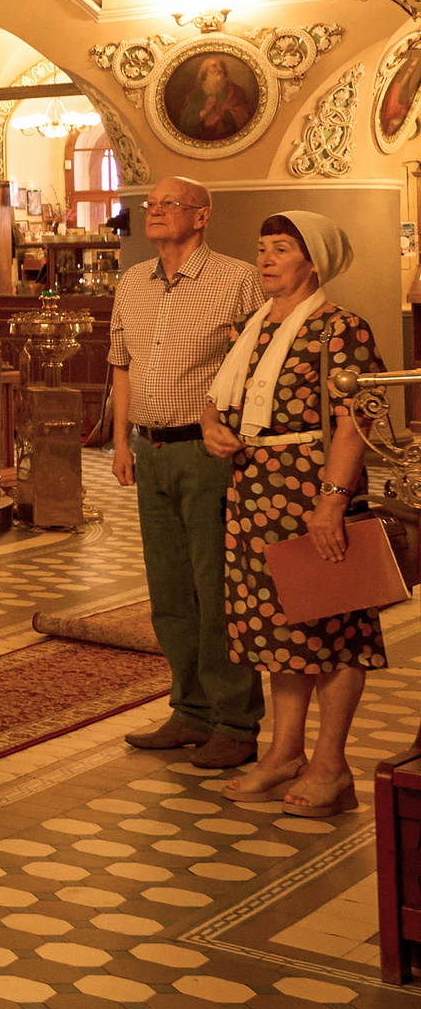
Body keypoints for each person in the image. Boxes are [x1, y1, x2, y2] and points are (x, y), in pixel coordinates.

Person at [201, 211, 383, 819]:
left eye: (281, 249)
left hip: (311, 491)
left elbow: (356, 418)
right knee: (279, 631)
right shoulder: (250, 328)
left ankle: (332, 766)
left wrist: (332, 499)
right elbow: (219, 400)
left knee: (333, 629)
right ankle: (283, 755)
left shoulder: (340, 329)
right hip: (254, 491)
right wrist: (211, 429)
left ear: (315, 261)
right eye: (263, 248)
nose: (266, 258)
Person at [108, 178, 264, 769]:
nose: (153, 213)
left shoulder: (236, 280)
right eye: (150, 205)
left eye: (167, 205)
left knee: (216, 585)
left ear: (200, 217)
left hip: (207, 455)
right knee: (169, 588)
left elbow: (256, 365)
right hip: (151, 450)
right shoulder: (132, 284)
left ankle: (235, 721)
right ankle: (190, 710)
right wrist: (121, 442)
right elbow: (120, 365)